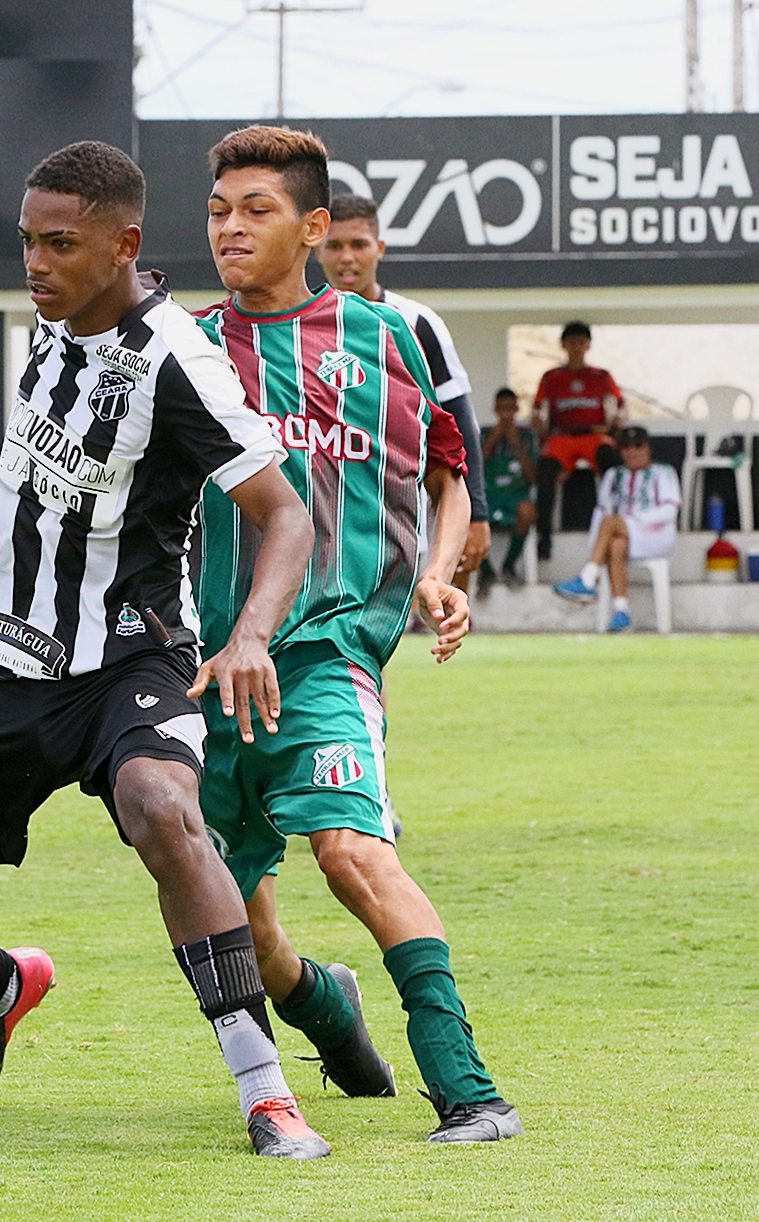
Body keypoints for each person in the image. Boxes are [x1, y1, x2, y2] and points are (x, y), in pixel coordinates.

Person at [0, 142, 333, 1160]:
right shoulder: (56, 310)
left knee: (163, 806)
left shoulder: (178, 360)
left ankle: (265, 1092)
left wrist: (249, 636)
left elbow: (286, 514)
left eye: (60, 244)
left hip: (128, 659)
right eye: (27, 241)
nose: (36, 262)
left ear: (123, 246)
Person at [192, 126, 522, 1145]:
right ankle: (325, 1008)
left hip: (329, 650)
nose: (230, 228)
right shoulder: (183, 347)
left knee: (349, 852)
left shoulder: (384, 339)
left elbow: (449, 472)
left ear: (313, 227)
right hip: (201, 669)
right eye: (218, 211)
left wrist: (437, 571)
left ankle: (469, 1090)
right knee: (242, 924)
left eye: (256, 210)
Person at [316, 192, 491, 593]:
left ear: (379, 248)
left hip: (399, 514)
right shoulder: (300, 325)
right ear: (317, 249)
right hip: (321, 517)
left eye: (358, 244)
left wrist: (477, 512)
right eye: (335, 246)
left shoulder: (416, 322)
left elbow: (460, 423)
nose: (347, 257)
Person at [553, 425, 682, 632]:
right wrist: (597, 545)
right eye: (626, 447)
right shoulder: (613, 475)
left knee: (611, 522)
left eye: (638, 446)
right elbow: (601, 510)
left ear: (648, 448)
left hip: (655, 535)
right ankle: (621, 612)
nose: (632, 452)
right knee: (615, 543)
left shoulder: (663, 472)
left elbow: (669, 511)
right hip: (620, 534)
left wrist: (633, 521)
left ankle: (587, 578)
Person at [533, 321, 623, 561]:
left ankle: (619, 526)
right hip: (562, 436)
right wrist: (539, 424)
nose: (576, 347)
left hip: (593, 435)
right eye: (571, 342)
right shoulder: (551, 377)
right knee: (545, 470)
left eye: (581, 342)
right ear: (564, 345)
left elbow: (621, 406)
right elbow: (537, 409)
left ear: (588, 345)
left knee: (614, 464)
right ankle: (544, 538)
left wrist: (616, 421)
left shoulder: (601, 376)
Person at [477, 388, 538, 593]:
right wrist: (491, 442)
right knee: (468, 515)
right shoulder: (483, 434)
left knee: (528, 511)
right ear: (495, 409)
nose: (505, 414)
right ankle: (486, 571)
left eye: (510, 409)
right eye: (501, 408)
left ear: (516, 410)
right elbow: (472, 471)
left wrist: (516, 443)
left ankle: (509, 566)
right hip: (488, 494)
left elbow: (532, 477)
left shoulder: (527, 436)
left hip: (515, 494)